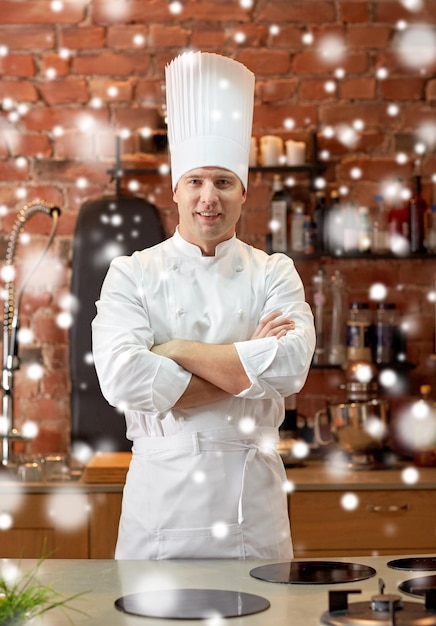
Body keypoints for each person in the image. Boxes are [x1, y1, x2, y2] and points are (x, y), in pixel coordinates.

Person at [92, 51, 316, 560]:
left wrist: (174, 350)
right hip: (159, 519)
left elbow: (288, 368)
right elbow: (123, 380)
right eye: (195, 181)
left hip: (252, 520)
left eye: (222, 182)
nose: (207, 197)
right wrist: (244, 366)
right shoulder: (132, 273)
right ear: (175, 190)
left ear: (243, 191)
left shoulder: (274, 271)